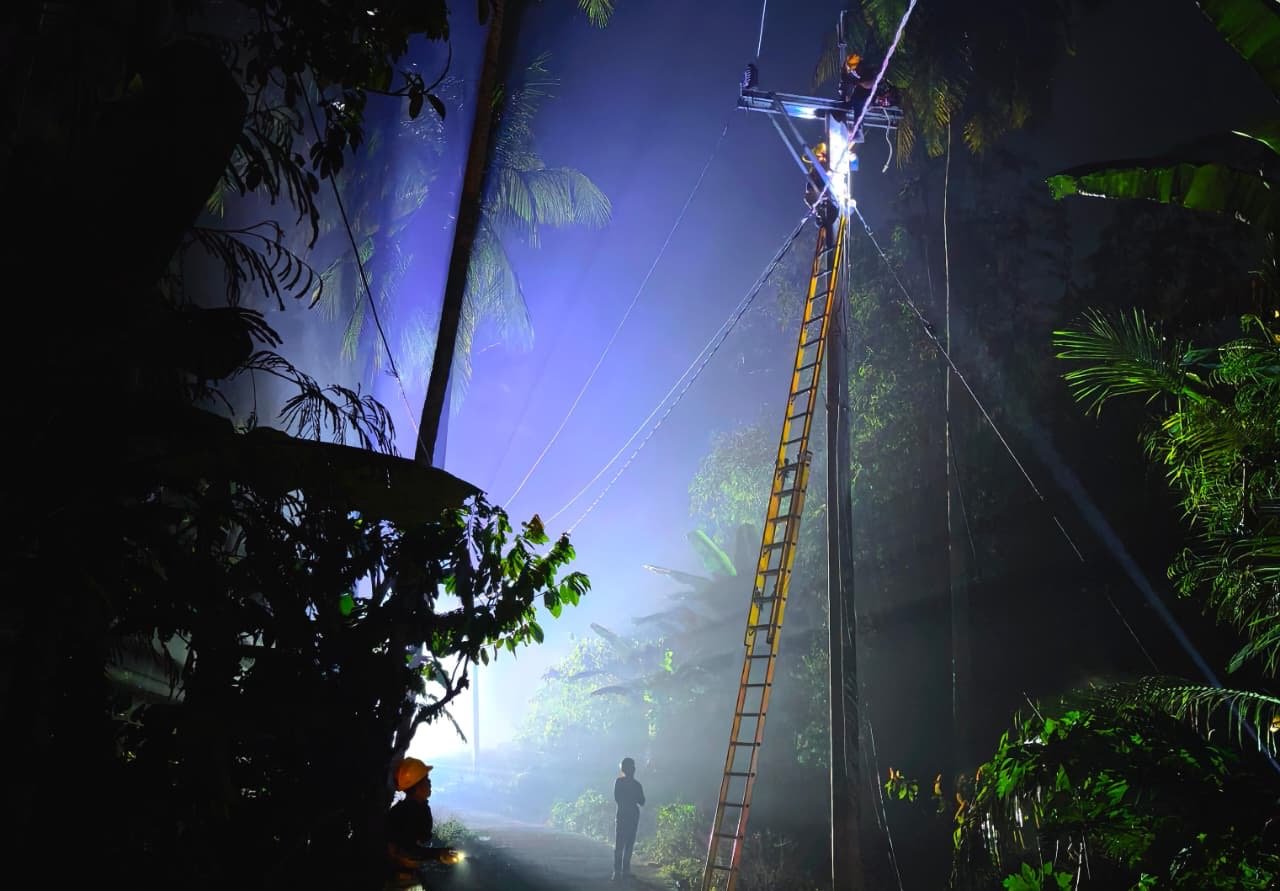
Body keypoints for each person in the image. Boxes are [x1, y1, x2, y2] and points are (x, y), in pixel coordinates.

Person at [385, 757, 460, 888]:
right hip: (396, 878)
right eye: (426, 780)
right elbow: (405, 849)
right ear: (417, 786)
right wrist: (439, 854)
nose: (430, 783)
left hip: (405, 874)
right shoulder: (406, 813)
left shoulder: (417, 808)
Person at [612, 757, 645, 881]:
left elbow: (618, 798)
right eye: (632, 766)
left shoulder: (619, 782)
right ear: (630, 769)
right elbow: (642, 801)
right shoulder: (636, 785)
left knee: (622, 843)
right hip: (631, 816)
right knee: (626, 844)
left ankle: (619, 871)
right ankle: (622, 870)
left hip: (624, 815)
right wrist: (633, 797)